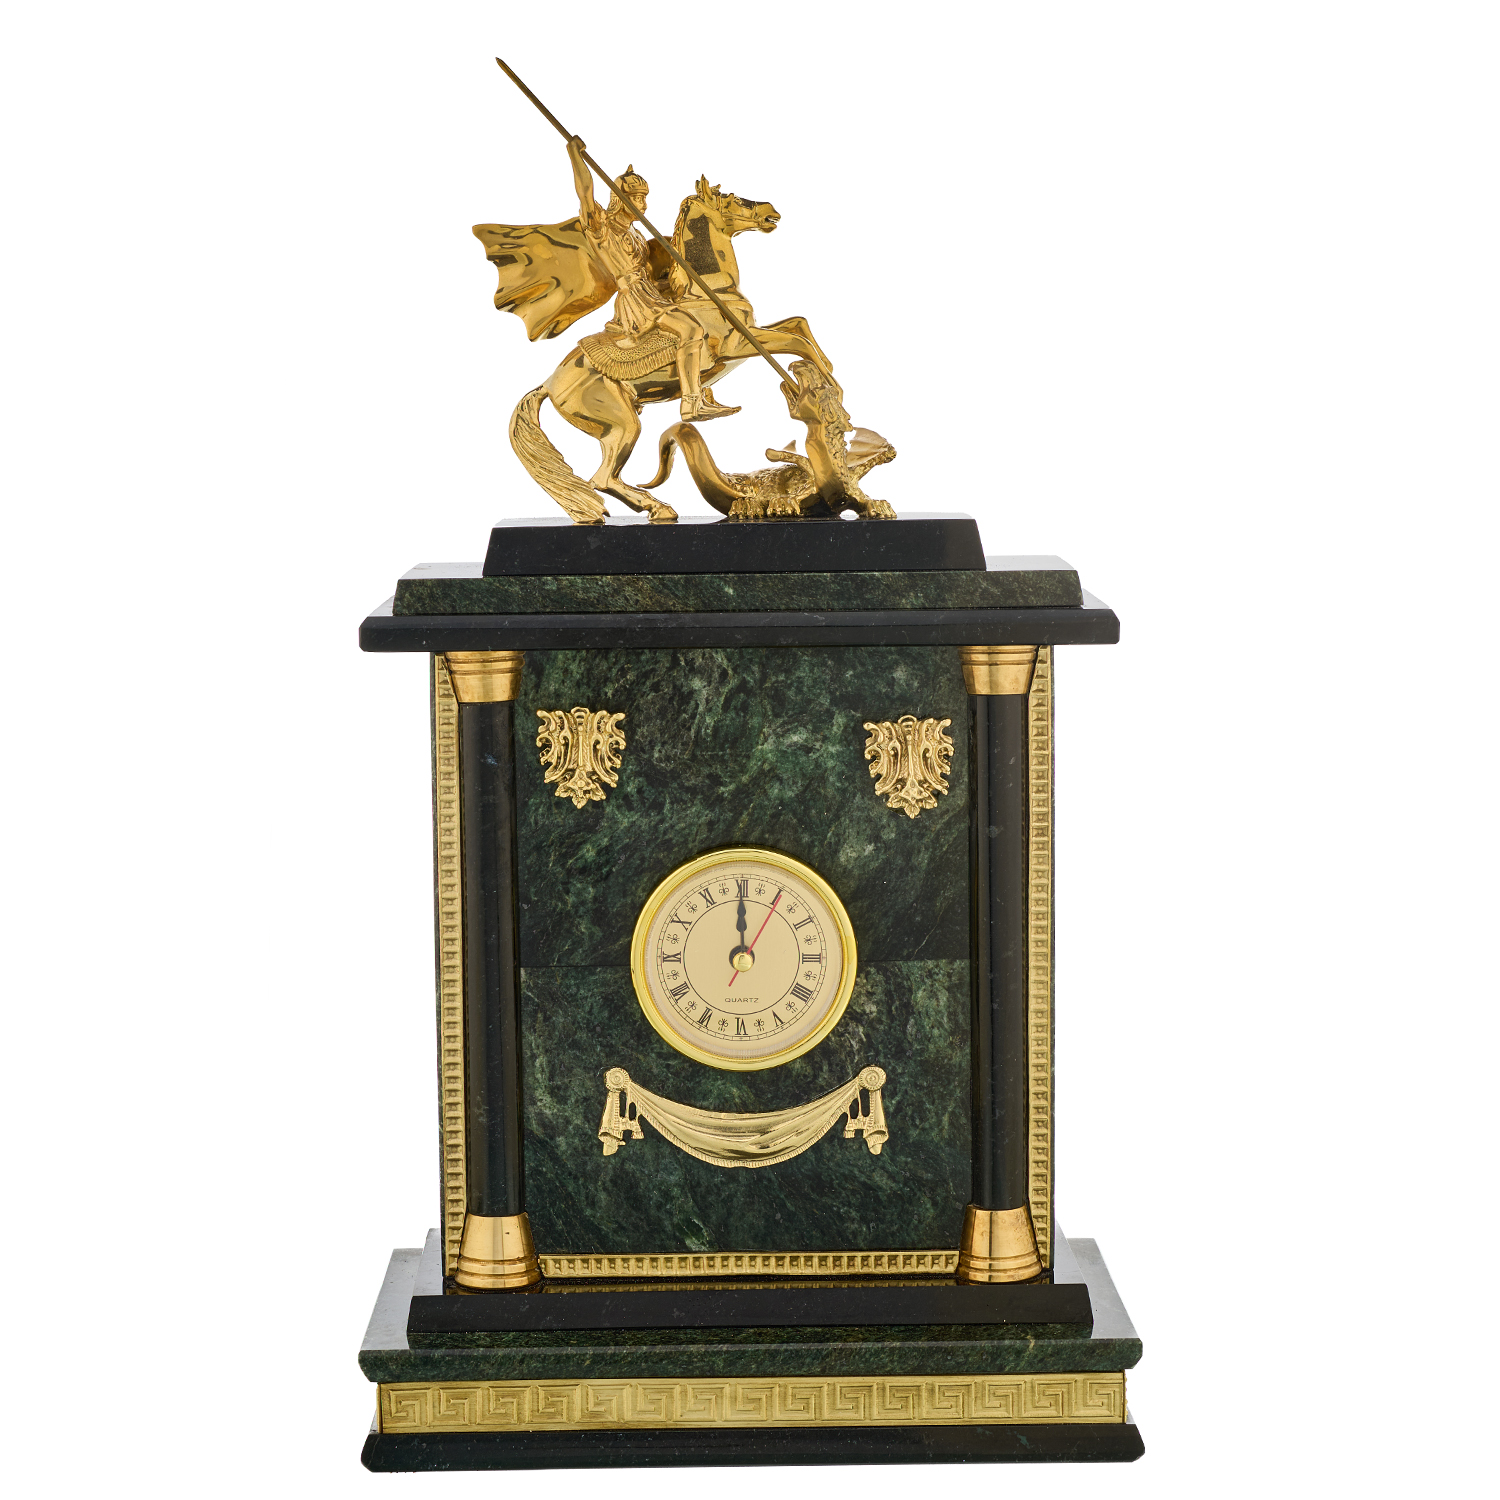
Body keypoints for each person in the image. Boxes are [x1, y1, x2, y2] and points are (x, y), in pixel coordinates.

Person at [568, 136, 737, 422]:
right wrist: (575, 156)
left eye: (644, 198)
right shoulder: (602, 228)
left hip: (649, 292)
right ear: (619, 199)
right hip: (635, 301)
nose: (643, 204)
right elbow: (585, 194)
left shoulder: (636, 234)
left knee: (703, 319)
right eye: (636, 198)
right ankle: (691, 403)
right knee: (690, 330)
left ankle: (704, 388)